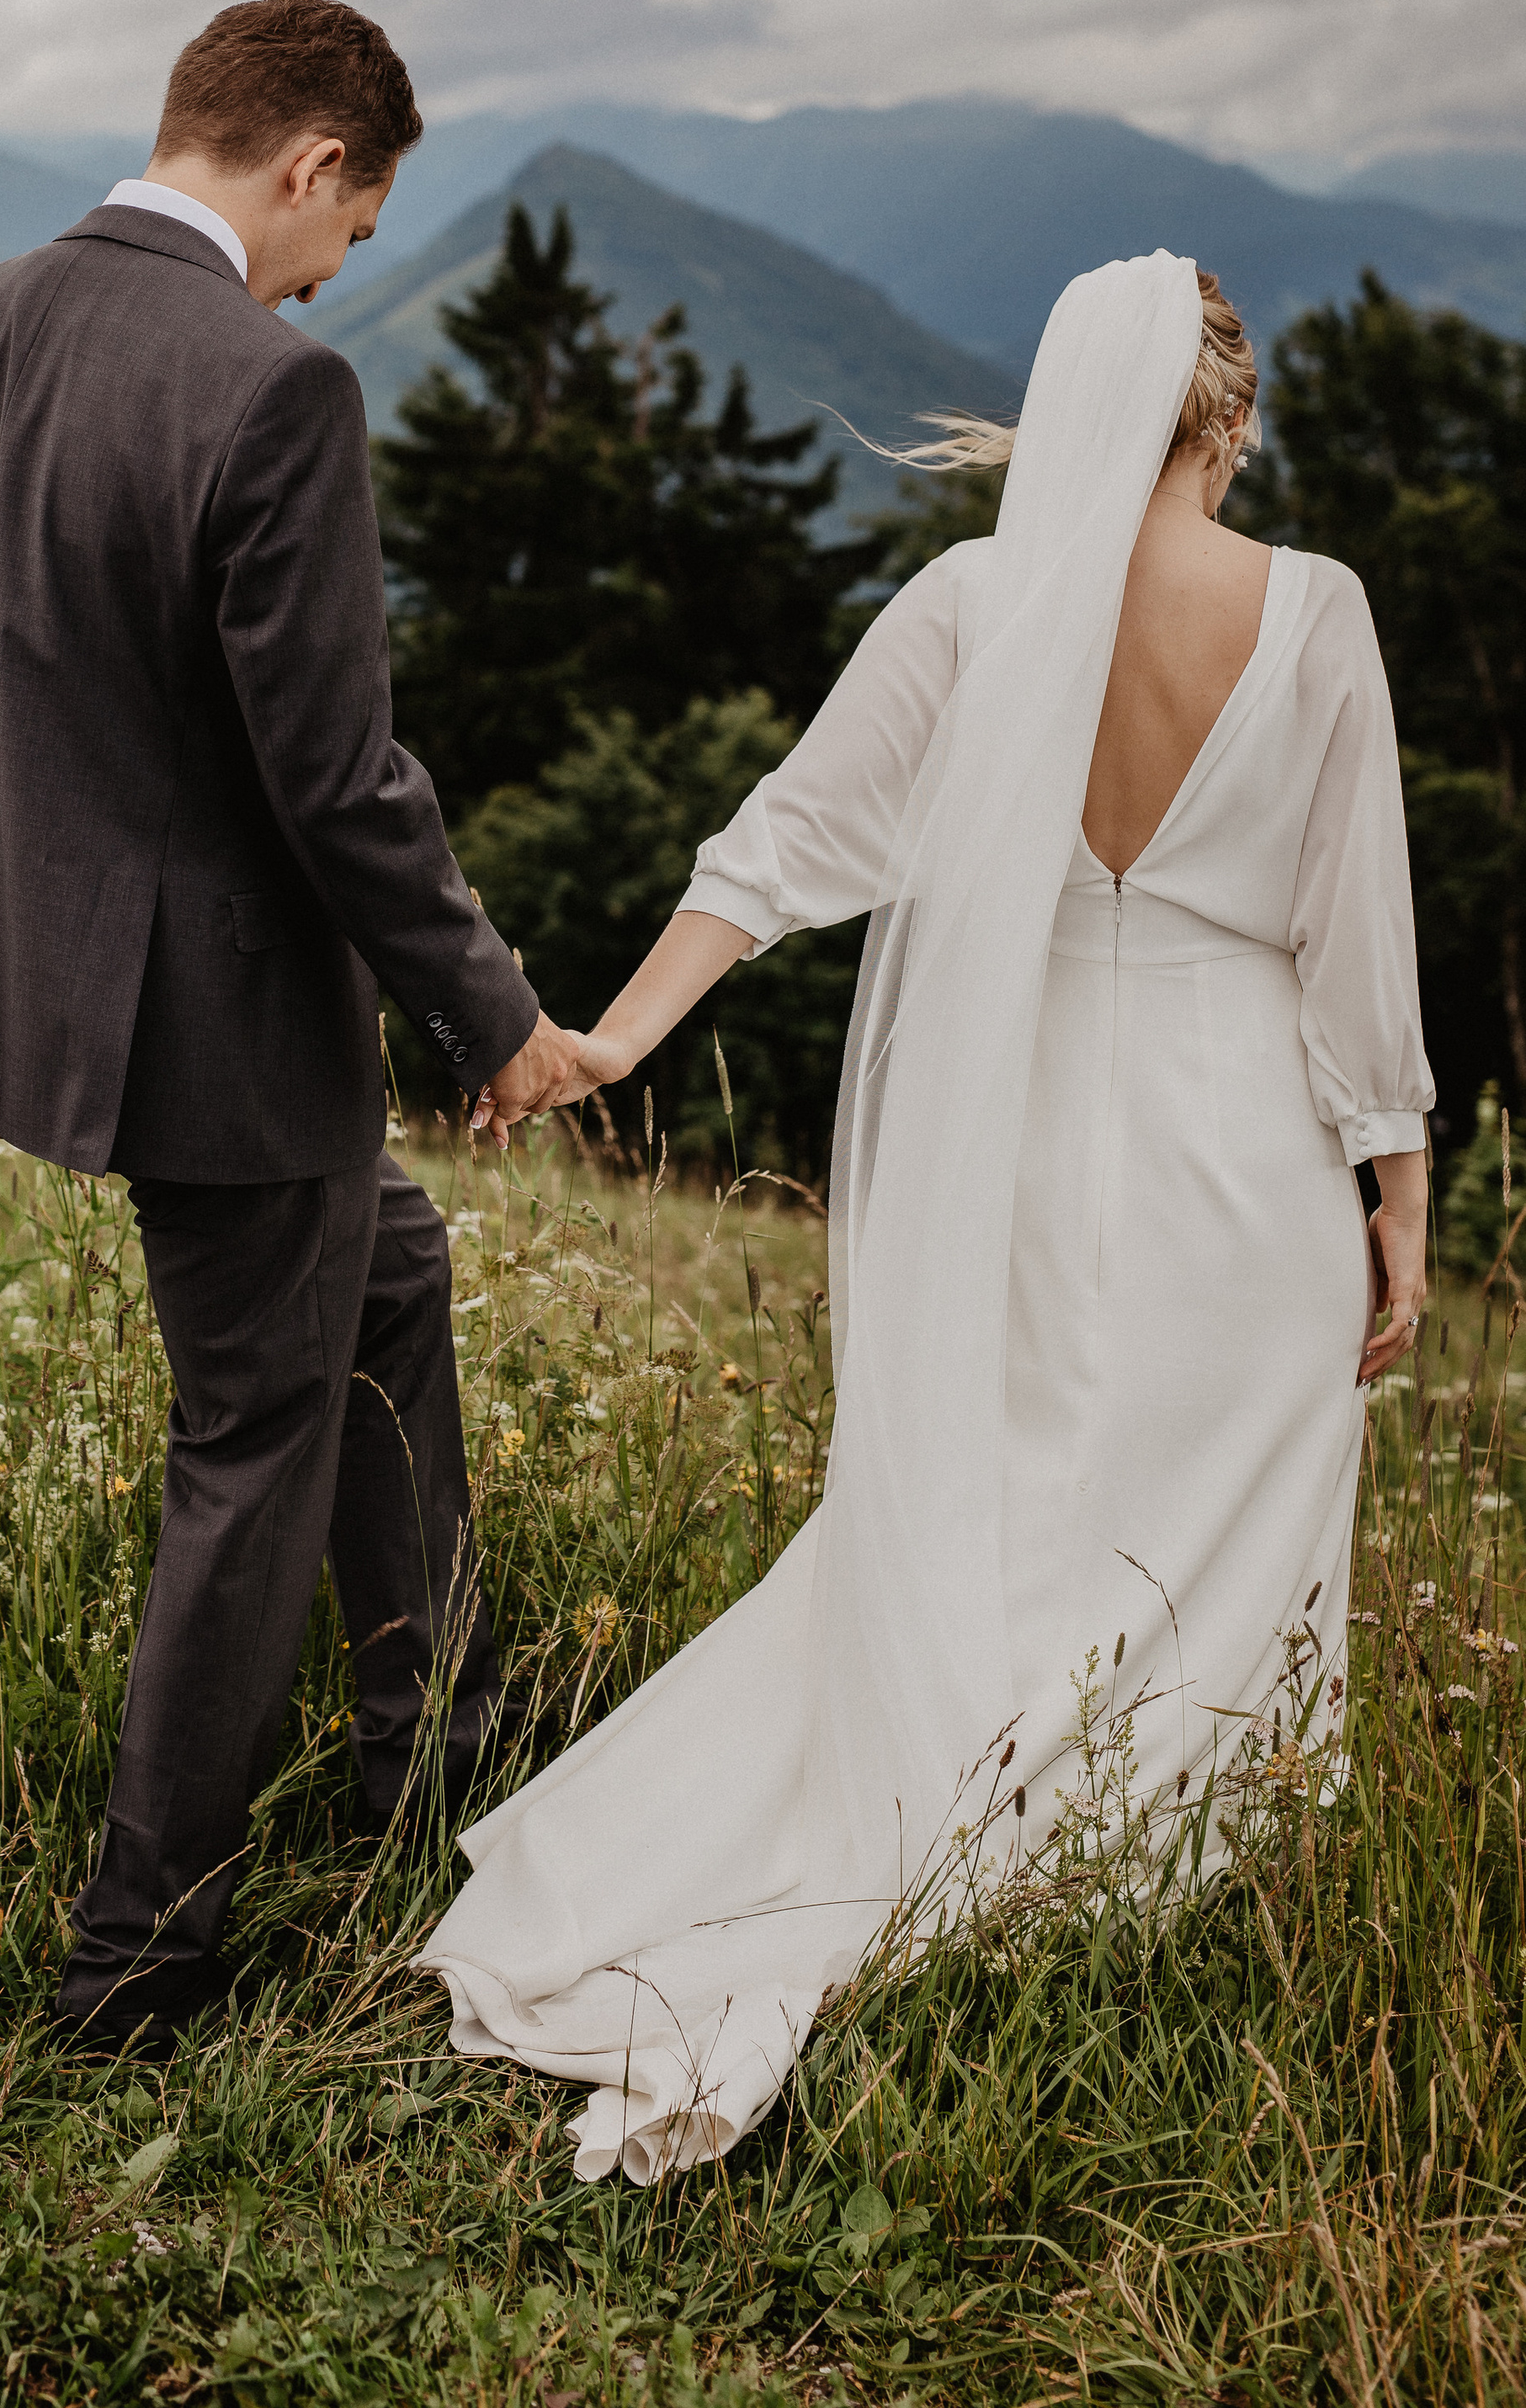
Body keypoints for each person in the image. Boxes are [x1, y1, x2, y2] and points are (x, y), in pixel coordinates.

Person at [427, 250, 1433, 2183]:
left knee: (1010, 1501)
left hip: (1024, 1141)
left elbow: (781, 845)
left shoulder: (973, 604)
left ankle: (932, 1832)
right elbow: (1354, 936)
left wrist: (615, 1037)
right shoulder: (1313, 608)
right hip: (1242, 1157)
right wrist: (1394, 1189)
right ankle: (1120, 1879)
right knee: (1204, 1533)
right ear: (1230, 417)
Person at [0, 0, 582, 2055]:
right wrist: (495, 1017)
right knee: (249, 1441)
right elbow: (336, 781)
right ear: (311, 162)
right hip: (220, 1026)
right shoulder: (273, 389)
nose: (335, 272)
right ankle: (136, 1964)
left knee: (387, 1273)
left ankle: (426, 1744)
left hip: (41, 984)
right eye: (353, 225)